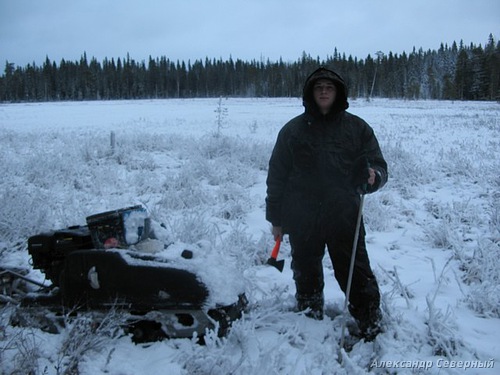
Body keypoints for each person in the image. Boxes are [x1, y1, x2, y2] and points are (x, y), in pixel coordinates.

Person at [265, 67, 388, 341]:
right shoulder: (292, 131)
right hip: (302, 215)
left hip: (344, 215)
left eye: (329, 87)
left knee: (356, 271)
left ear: (338, 93)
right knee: (306, 271)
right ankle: (310, 317)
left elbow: (379, 165)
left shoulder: (357, 128)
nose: (323, 91)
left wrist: (373, 176)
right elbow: (277, 176)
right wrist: (276, 219)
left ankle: (370, 323)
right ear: (310, 92)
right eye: (319, 87)